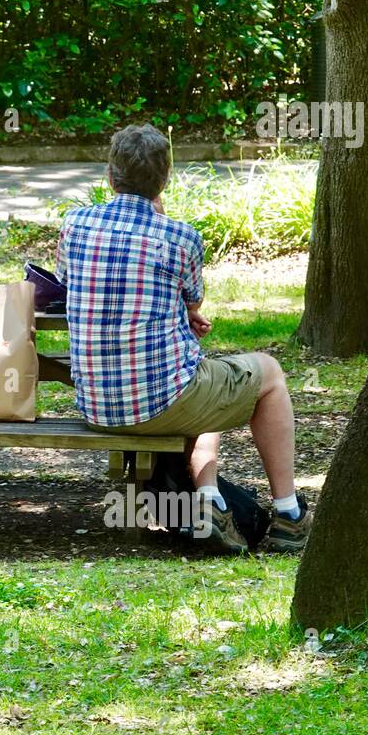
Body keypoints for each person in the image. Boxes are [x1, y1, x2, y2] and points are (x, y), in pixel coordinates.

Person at [56, 124, 313, 552]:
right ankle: (288, 512)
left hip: (97, 404)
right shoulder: (180, 237)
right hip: (159, 402)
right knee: (268, 373)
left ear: (109, 175)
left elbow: (68, 283)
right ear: (165, 180)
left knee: (202, 372)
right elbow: (193, 301)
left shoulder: (75, 225)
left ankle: (210, 500)